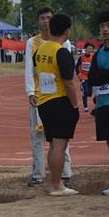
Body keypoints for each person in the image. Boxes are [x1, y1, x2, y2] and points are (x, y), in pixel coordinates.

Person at [24, 7, 73, 187]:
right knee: (38, 136)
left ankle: (65, 173)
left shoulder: (64, 43)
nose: (46, 21)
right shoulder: (32, 42)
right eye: (42, 18)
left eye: (49, 18)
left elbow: (67, 72)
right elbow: (29, 69)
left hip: (58, 95)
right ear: (38, 21)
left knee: (61, 137)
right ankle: (38, 174)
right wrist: (30, 92)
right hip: (39, 95)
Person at [34, 13, 80, 196]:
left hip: (44, 102)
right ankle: (56, 185)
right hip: (60, 102)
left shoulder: (40, 51)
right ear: (67, 31)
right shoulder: (62, 52)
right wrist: (75, 105)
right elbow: (69, 83)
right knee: (60, 145)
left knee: (53, 144)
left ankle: (55, 182)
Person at [88, 10, 109, 196]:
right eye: (102, 26)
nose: (105, 29)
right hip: (103, 104)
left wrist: (104, 74)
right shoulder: (98, 52)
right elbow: (92, 78)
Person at [75, 43, 95, 112]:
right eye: (89, 48)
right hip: (83, 77)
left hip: (90, 78)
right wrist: (78, 73)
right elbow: (77, 66)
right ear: (85, 49)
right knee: (85, 92)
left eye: (91, 49)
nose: (90, 50)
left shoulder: (93, 56)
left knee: (90, 93)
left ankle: (84, 91)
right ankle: (86, 107)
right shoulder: (82, 57)